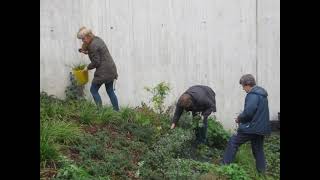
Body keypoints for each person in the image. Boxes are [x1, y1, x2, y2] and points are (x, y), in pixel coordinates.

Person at [221, 74, 271, 174]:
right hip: (260, 128)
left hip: (252, 127)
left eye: (243, 86)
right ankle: (262, 173)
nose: (243, 89)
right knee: (258, 150)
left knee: (233, 141)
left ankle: (224, 167)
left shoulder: (253, 95)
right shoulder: (262, 95)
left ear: (248, 84)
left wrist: (240, 118)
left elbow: (249, 112)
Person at [77, 27, 119, 111]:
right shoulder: (97, 39)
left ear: (88, 36)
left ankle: (100, 112)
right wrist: (86, 52)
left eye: (83, 39)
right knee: (110, 91)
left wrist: (87, 68)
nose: (83, 41)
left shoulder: (92, 45)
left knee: (93, 90)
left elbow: (96, 62)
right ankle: (117, 111)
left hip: (103, 72)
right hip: (111, 69)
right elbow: (98, 52)